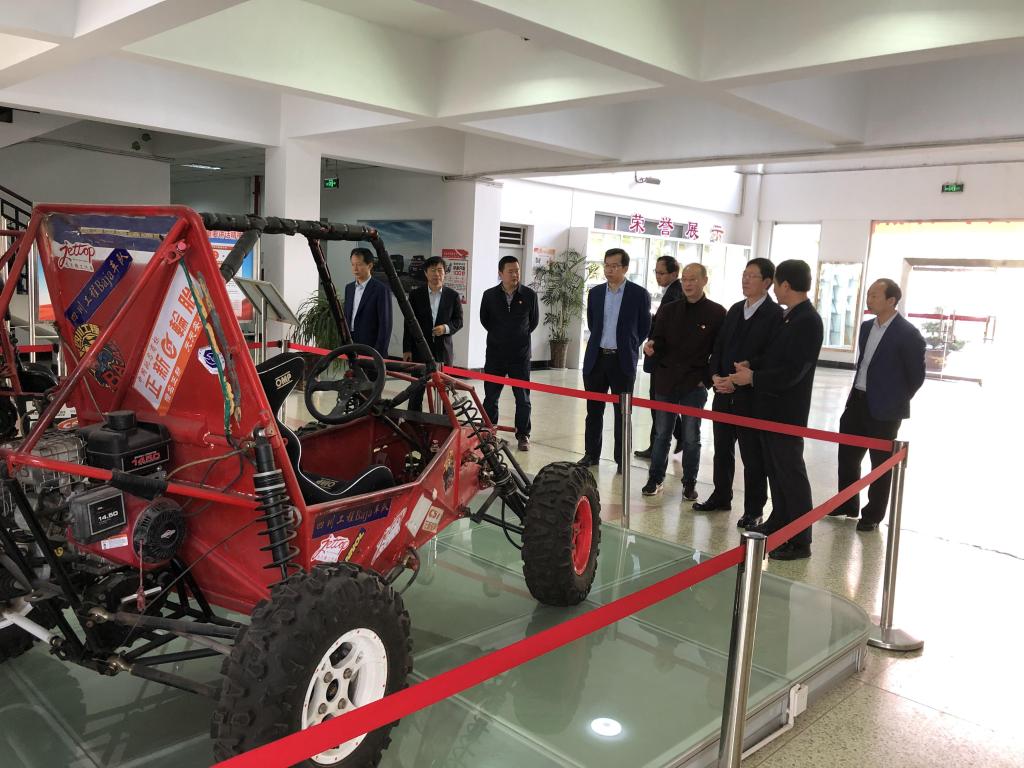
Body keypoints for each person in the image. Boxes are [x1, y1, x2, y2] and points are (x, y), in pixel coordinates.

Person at [729, 259, 823, 561]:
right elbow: (774, 356)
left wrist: (753, 377)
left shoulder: (807, 320)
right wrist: (752, 365)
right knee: (776, 471)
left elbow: (793, 371)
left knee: (791, 475)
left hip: (786, 412)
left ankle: (801, 539)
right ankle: (780, 521)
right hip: (769, 409)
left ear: (785, 285)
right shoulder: (789, 316)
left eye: (777, 284)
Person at [694, 258, 783, 527]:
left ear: (767, 282)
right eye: (744, 274)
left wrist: (739, 378)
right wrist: (715, 376)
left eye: (752, 276)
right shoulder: (734, 309)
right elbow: (718, 346)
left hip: (751, 396)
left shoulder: (775, 315)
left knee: (752, 456)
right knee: (722, 449)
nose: (746, 280)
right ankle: (721, 496)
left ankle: (754, 509)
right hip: (723, 392)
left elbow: (771, 356)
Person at [831, 278, 925, 532]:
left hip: (885, 409)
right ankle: (847, 503)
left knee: (880, 465)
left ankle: (872, 515)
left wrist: (895, 399)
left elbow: (916, 376)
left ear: (891, 300)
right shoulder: (865, 327)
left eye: (875, 295)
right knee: (848, 457)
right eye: (868, 294)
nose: (869, 299)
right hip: (857, 402)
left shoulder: (908, 334)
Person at [640, 263, 726, 500]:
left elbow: (719, 351)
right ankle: (655, 478)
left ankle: (689, 482)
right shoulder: (669, 310)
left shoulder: (717, 313)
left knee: (691, 437)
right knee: (661, 434)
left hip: (693, 383)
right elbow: (657, 339)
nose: (687, 284)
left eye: (693, 279)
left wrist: (705, 379)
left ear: (704, 280)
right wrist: (651, 346)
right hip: (666, 380)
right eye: (685, 279)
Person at [578, 248, 651, 472]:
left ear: (625, 268)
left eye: (614, 266)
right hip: (597, 359)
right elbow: (593, 323)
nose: (609, 270)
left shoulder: (639, 294)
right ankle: (591, 454)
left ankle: (622, 459)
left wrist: (628, 346)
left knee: (622, 413)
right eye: (606, 265)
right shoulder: (596, 293)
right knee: (594, 411)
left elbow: (643, 328)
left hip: (622, 360)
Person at [480, 255, 539, 451]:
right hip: (495, 355)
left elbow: (533, 322)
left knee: (523, 399)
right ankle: (489, 433)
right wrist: (501, 336)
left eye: (517, 271)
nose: (515, 275)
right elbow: (485, 320)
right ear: (500, 273)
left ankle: (523, 435)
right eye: (510, 271)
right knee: (491, 397)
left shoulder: (529, 295)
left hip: (520, 356)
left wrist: (517, 337)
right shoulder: (489, 296)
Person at [635, 255, 684, 459]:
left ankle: (659, 445)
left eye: (662, 273)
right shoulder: (670, 291)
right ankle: (675, 436)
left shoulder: (675, 293)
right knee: (659, 401)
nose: (658, 276)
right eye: (656, 272)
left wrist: (653, 340)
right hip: (660, 357)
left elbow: (667, 328)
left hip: (663, 358)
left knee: (659, 402)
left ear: (674, 273)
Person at [403, 256, 463, 410]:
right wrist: (407, 349)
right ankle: (413, 421)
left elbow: (458, 321)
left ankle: (445, 421)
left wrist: (446, 328)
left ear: (445, 273)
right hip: (420, 350)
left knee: (444, 391)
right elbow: (409, 323)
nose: (437, 274)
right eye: (433, 270)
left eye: (440, 270)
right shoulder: (416, 295)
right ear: (426, 273)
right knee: (416, 390)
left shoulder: (453, 296)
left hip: (443, 350)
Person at [343, 247, 392, 358]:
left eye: (359, 264)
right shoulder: (349, 288)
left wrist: (378, 353)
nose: (355, 268)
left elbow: (385, 325)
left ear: (369, 265)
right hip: (351, 345)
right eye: (353, 264)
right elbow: (347, 316)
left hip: (372, 348)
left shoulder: (381, 290)